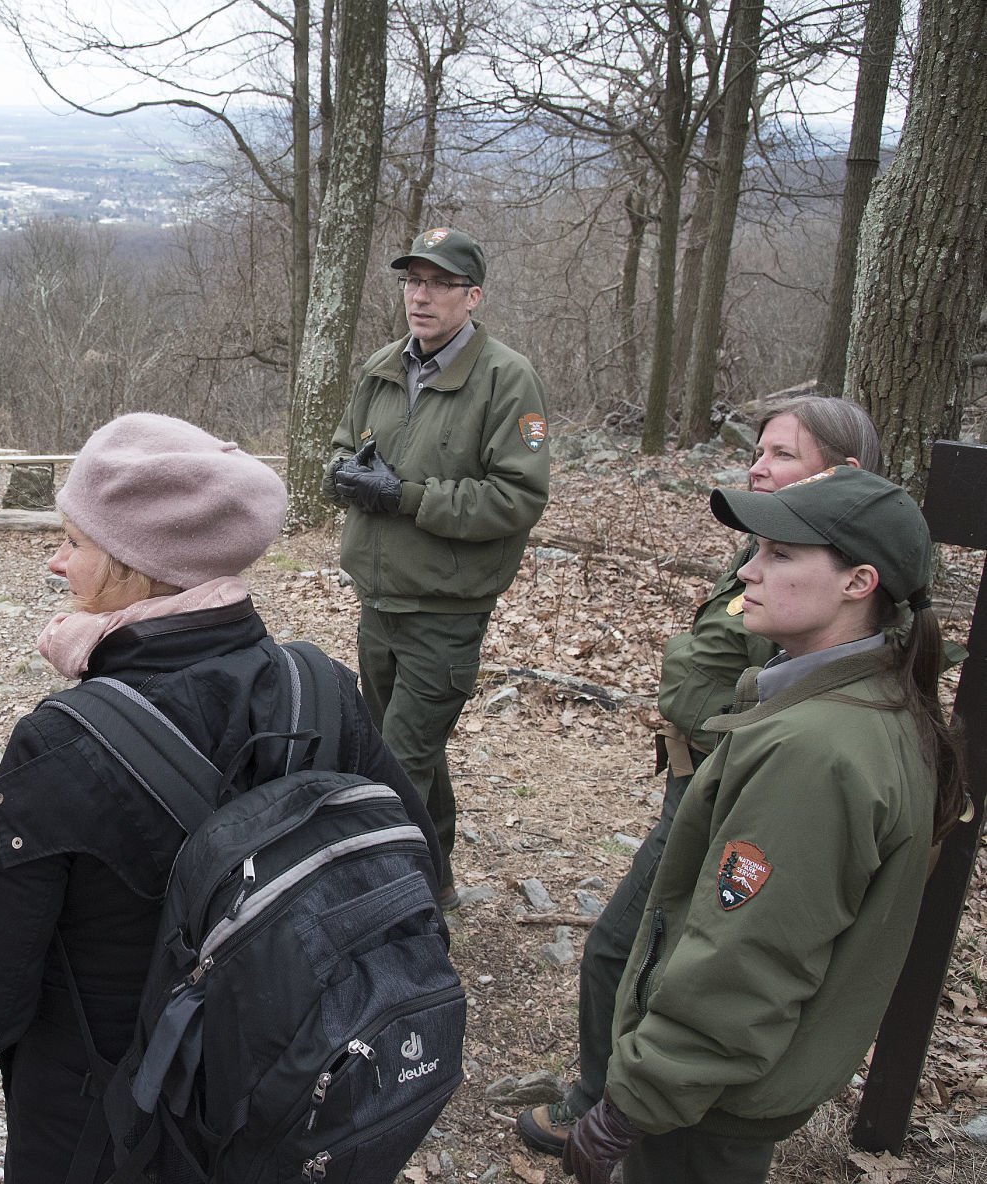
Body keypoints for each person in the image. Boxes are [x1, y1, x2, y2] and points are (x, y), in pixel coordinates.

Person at [0, 413, 440, 1182]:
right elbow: (425, 876)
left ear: (135, 568)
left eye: (74, 542)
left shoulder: (64, 741)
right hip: (286, 1105)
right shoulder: (323, 689)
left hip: (105, 1129)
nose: (54, 562)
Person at [560, 465, 965, 1184]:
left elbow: (748, 958)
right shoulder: (870, 701)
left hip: (704, 1102)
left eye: (780, 554)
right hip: (722, 1085)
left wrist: (632, 1103)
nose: (748, 570)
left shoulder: (818, 752)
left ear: (858, 582)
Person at [517, 395, 881, 1153]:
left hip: (739, 796)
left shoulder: (825, 585)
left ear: (843, 475)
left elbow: (787, 700)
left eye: (784, 454)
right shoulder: (773, 544)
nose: (760, 464)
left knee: (631, 953)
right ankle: (622, 1104)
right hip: (703, 781)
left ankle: (611, 1112)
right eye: (760, 449)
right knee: (642, 951)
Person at [325, 226, 550, 905]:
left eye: (438, 284)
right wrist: (347, 473)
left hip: (446, 610)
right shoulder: (383, 365)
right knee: (411, 750)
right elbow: (342, 443)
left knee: (396, 762)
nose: (419, 297)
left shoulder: (507, 379)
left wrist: (408, 497)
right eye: (412, 282)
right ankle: (440, 879)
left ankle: (390, 910)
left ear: (471, 296)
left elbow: (518, 496)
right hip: (379, 598)